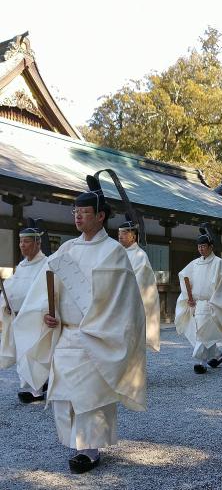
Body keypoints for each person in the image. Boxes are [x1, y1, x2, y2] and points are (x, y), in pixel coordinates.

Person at [13, 178, 146, 473]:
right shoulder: (66, 250)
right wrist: (50, 315)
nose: (77, 216)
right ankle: (77, 444)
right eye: (75, 211)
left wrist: (99, 326)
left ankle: (89, 449)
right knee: (64, 396)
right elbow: (47, 290)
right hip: (67, 333)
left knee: (90, 396)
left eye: (84, 212)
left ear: (100, 216)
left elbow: (123, 301)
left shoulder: (114, 252)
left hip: (97, 335)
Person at [175, 225, 222, 374]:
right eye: (199, 246)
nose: (201, 249)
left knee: (202, 332)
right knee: (200, 332)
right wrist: (188, 296)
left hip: (210, 303)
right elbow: (184, 275)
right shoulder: (195, 263)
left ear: (210, 247)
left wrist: (215, 302)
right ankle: (217, 354)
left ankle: (201, 363)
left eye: (203, 246)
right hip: (196, 303)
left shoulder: (218, 263)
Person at [0, 222, 48, 403]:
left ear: (37, 243)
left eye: (26, 242)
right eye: (21, 242)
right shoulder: (21, 266)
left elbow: (47, 292)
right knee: (23, 355)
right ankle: (29, 387)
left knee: (35, 354)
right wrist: (6, 304)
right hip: (18, 318)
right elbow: (11, 288)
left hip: (37, 318)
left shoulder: (46, 264)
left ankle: (37, 389)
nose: (22, 245)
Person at [118, 220, 160, 351]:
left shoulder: (140, 255)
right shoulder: (118, 253)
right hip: (117, 301)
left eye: (124, 233)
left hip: (130, 302)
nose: (120, 236)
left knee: (132, 340)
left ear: (133, 236)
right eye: (119, 233)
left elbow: (142, 282)